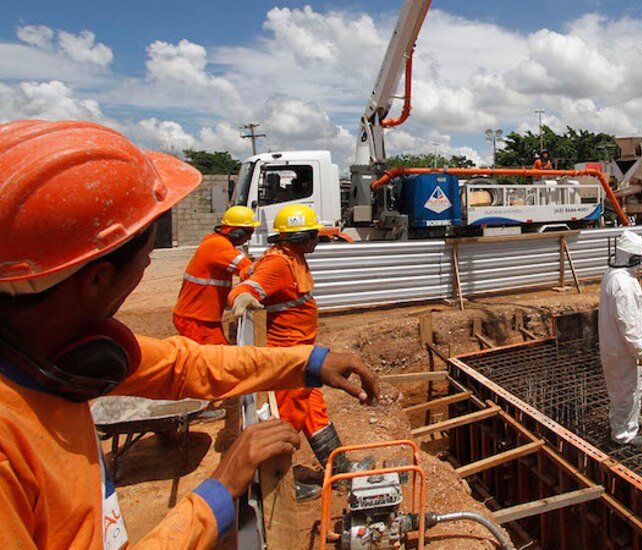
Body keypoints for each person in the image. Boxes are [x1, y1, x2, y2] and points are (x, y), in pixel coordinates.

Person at [0, 120, 380, 549]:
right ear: (96, 278)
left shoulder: (58, 353)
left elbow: (185, 365)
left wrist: (309, 362)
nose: (148, 270)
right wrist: (219, 491)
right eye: (146, 257)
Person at [229, 204, 365, 496]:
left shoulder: (294, 258)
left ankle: (340, 472)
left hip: (306, 357)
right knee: (287, 423)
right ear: (300, 237)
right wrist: (243, 298)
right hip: (290, 362)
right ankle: (280, 484)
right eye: (314, 234)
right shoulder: (278, 263)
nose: (318, 239)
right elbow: (249, 287)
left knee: (316, 414)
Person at [172, 206, 260, 345]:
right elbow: (249, 270)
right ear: (237, 232)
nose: (249, 238)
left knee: (213, 357)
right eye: (249, 232)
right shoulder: (218, 246)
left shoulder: (216, 242)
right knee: (213, 360)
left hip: (202, 318)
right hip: (197, 319)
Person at [598, 231, 642, 448]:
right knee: (628, 391)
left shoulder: (613, 276)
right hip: (625, 351)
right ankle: (624, 435)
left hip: (614, 347)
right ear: (633, 258)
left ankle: (629, 420)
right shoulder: (624, 285)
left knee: (621, 389)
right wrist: (640, 351)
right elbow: (628, 324)